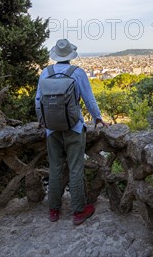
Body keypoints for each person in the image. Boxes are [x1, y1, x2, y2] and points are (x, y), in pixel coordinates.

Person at [35, 39, 107, 225]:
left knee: (55, 168)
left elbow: (37, 101)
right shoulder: (78, 73)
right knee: (75, 168)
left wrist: (43, 121)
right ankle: (78, 211)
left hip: (52, 129)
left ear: (55, 56)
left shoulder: (45, 73)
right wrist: (97, 117)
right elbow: (89, 99)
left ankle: (53, 210)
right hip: (74, 128)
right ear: (70, 56)